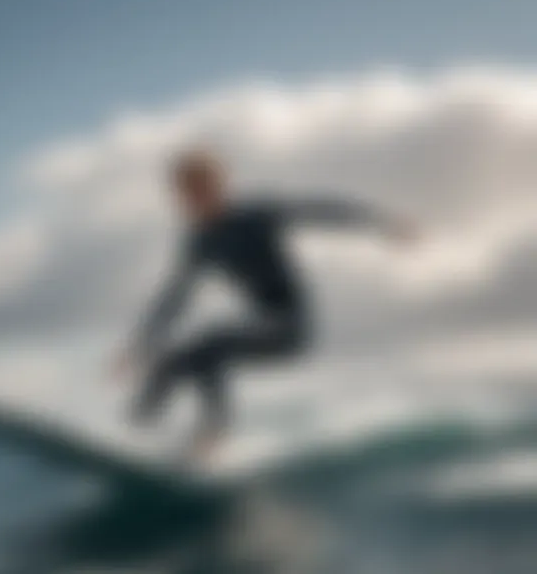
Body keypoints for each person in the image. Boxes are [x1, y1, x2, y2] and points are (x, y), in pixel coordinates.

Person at [111, 149, 418, 463]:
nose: (191, 201)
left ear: (217, 186)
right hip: (260, 325)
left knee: (211, 344)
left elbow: (320, 210)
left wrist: (381, 221)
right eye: (185, 194)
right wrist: (140, 345)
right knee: (172, 361)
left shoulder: (255, 216)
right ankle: (135, 434)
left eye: (198, 190)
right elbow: (175, 297)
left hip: (290, 327)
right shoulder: (200, 241)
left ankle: (212, 436)